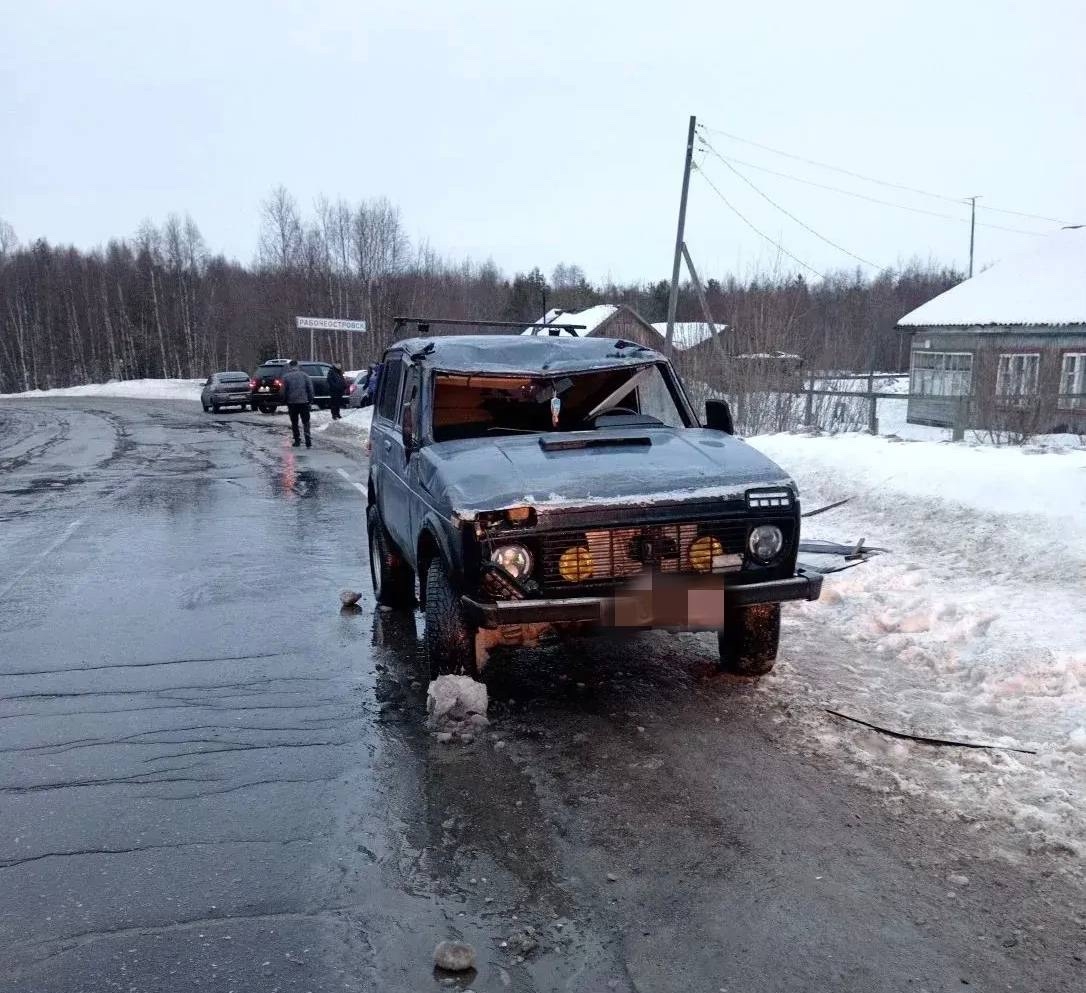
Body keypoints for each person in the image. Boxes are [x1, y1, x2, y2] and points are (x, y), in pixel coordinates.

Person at [281, 359, 315, 447]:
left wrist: (284, 400)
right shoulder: (305, 376)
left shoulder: (286, 377)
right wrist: (310, 400)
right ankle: (308, 439)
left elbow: (283, 391)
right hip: (304, 402)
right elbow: (310, 389)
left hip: (292, 403)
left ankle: (297, 440)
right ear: (297, 365)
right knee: (306, 421)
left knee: (294, 422)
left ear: (290, 366)